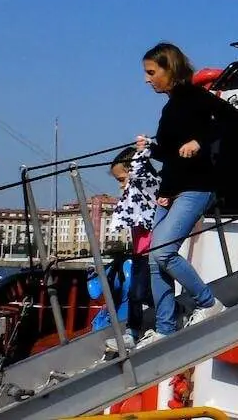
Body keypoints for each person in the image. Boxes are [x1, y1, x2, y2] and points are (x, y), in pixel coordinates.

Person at [136, 42, 234, 347]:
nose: (147, 79)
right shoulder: (169, 107)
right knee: (154, 260)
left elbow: (230, 119)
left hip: (197, 187)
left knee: (163, 252)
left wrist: (199, 142)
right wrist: (151, 147)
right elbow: (168, 152)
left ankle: (209, 303)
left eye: (151, 72)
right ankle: (165, 328)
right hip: (172, 190)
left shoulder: (193, 96)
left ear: (170, 69)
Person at [102, 147, 157, 353]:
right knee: (139, 292)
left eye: (122, 179)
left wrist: (142, 153)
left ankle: (133, 333)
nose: (121, 185)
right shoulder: (133, 197)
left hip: (150, 250)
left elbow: (141, 176)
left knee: (139, 292)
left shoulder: (145, 190)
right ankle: (133, 331)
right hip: (140, 251)